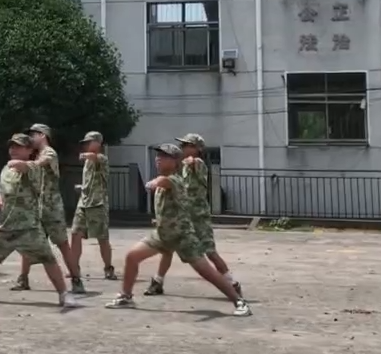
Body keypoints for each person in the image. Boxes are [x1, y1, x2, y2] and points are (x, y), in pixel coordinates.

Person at [111, 144, 250, 316]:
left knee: (207, 272)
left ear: (175, 161)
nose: (158, 158)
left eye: (164, 156)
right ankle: (126, 296)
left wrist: (153, 183)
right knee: (132, 256)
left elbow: (162, 182)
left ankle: (239, 302)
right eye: (158, 155)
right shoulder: (165, 177)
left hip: (183, 236)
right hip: (162, 235)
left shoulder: (174, 179)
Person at [0, 134, 80, 308]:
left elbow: (24, 167)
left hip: (28, 226)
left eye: (18, 147)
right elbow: (3, 189)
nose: (13, 150)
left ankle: (64, 294)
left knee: (48, 258)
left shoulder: (34, 168)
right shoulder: (5, 169)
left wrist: (17, 164)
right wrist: (0, 201)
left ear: (29, 150)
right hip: (5, 225)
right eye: (12, 147)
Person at [144, 133, 243, 299]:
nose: (183, 148)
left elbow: (191, 161)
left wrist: (175, 159)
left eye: (187, 145)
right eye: (182, 146)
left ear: (197, 149)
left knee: (210, 252)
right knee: (167, 249)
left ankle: (232, 284)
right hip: (183, 216)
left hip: (198, 217)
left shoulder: (197, 163)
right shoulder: (181, 170)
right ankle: (157, 282)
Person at [15, 123, 85, 295]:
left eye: (33, 135)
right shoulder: (36, 154)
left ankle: (77, 281)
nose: (31, 138)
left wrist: (27, 165)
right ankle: (23, 279)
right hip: (37, 206)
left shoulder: (49, 153)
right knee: (29, 242)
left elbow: (41, 163)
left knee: (62, 244)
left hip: (51, 207)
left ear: (42, 135)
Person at [69, 131, 116, 281]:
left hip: (97, 203)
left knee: (102, 237)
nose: (86, 145)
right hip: (83, 202)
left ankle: (108, 268)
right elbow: (92, 180)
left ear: (97, 143)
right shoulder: (88, 162)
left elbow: (95, 158)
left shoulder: (101, 158)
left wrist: (85, 155)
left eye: (89, 142)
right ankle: (74, 268)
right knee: (75, 234)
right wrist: (82, 187)